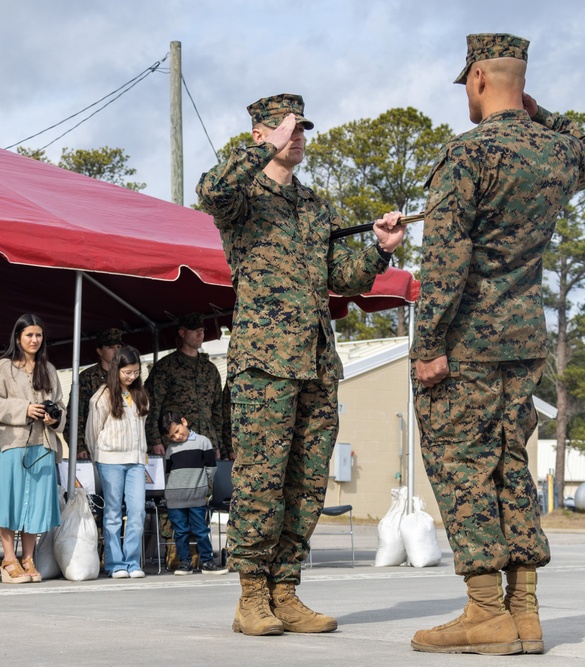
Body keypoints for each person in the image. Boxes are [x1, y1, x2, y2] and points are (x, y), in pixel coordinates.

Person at [410, 33, 585, 654]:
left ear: (476, 80)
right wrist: (538, 111)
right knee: (510, 466)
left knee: (462, 467)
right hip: (524, 341)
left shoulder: (467, 155)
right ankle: (525, 613)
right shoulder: (554, 154)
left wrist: (427, 345)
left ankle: (485, 611)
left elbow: (445, 259)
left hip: (466, 343)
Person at [197, 93, 405, 636]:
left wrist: (380, 250)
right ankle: (251, 596)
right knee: (260, 481)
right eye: (287, 126)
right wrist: (256, 149)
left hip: (315, 362)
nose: (298, 135)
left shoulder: (314, 206)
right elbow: (208, 191)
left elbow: (345, 277)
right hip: (264, 363)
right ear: (261, 133)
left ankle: (285, 589)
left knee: (308, 482)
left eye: (303, 127)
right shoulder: (242, 198)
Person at [0, 313, 66, 584]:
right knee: (11, 502)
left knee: (36, 504)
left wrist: (54, 417)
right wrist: (24, 409)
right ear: (17, 337)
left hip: (42, 445)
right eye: (29, 335)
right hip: (11, 444)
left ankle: (27, 558)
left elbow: (61, 405)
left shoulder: (49, 369)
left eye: (38, 335)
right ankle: (8, 559)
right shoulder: (3, 367)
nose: (34, 340)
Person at [85, 346, 150, 579]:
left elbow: (142, 428)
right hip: (110, 460)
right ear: (117, 370)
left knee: (137, 511)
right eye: (127, 373)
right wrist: (99, 457)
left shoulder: (141, 394)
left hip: (136, 461)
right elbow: (92, 432)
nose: (132, 377)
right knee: (112, 512)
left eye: (136, 372)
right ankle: (115, 563)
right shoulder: (102, 396)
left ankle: (133, 562)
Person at [145, 313, 226, 459]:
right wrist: (154, 441)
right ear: (182, 333)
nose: (200, 334)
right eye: (195, 330)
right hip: (176, 443)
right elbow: (152, 406)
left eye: (202, 330)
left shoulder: (210, 369)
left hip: (206, 443)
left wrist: (218, 444)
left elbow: (217, 410)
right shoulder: (166, 366)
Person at [161, 409, 227, 576]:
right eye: (172, 436)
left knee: (201, 530)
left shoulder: (203, 442)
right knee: (181, 532)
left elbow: (211, 468)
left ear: (184, 422)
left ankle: (207, 561)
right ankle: (185, 563)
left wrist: (201, 485)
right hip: (175, 498)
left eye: (177, 431)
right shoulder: (171, 449)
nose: (176, 437)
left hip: (196, 496)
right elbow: (168, 473)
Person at [74, 328, 124, 460]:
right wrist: (79, 446)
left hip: (123, 446)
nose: (116, 351)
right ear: (100, 351)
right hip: (95, 446)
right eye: (111, 347)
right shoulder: (88, 377)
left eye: (119, 346)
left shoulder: (126, 375)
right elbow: (76, 413)